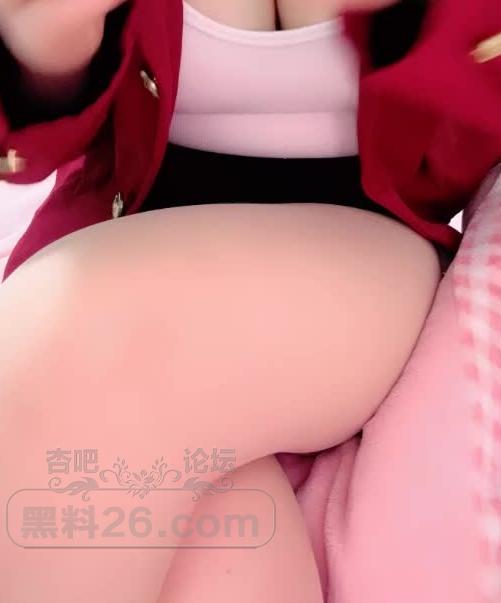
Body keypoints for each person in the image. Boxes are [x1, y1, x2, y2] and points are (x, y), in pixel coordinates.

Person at [0, 1, 499, 601]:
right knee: (214, 539)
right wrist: (46, 47)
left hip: (358, 262)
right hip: (125, 233)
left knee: (69, 338)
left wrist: (426, 30)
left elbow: (474, 125)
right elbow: (32, 138)